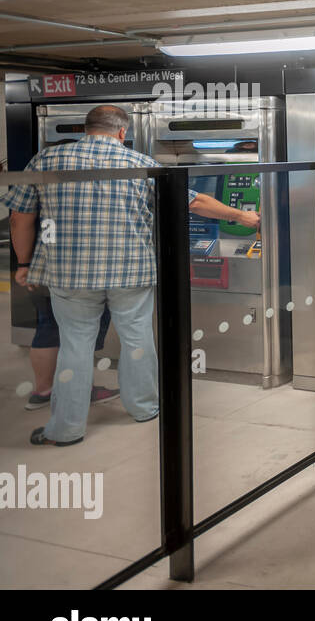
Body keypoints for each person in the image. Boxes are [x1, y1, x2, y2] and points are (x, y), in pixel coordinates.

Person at [2, 104, 261, 446]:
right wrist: (241, 218)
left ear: (85, 128)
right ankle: (144, 408)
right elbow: (194, 203)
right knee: (137, 338)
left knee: (75, 346)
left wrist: (23, 264)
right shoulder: (141, 164)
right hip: (131, 270)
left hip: (68, 274)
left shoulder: (46, 161)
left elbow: (20, 217)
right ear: (122, 132)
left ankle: (65, 428)